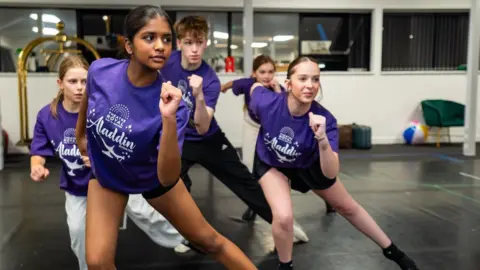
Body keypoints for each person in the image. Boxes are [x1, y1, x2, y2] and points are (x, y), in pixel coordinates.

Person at [75, 6, 257, 269]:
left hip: (152, 178)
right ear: (129, 44)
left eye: (166, 39)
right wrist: (81, 137)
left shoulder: (175, 104)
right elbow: (87, 102)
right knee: (96, 261)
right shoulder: (100, 71)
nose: (160, 46)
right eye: (149, 37)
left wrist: (169, 117)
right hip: (108, 176)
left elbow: (168, 177)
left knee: (209, 241)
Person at [248, 56, 419, 270]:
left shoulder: (324, 120)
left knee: (347, 207)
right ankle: (285, 266)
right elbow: (253, 88)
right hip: (272, 162)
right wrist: (257, 82)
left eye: (315, 79)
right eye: (302, 78)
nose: (310, 85)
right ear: (288, 83)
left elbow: (330, 173)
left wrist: (322, 139)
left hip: (308, 164)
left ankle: (394, 252)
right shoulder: (266, 102)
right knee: (283, 217)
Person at [29, 55, 194, 270]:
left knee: (147, 214)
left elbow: (125, 135)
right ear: (60, 83)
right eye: (72, 82)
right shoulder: (47, 116)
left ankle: (184, 237)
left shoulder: (101, 105)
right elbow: (39, 149)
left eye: (84, 82)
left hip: (115, 177)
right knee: (78, 231)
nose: (80, 88)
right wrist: (36, 166)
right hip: (77, 187)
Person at [160, 15, 309, 244]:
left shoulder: (209, 79)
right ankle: (187, 235)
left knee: (243, 180)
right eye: (189, 43)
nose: (194, 49)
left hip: (208, 138)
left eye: (199, 43)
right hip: (179, 138)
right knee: (170, 182)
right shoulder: (166, 64)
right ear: (179, 43)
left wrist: (198, 95)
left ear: (206, 43)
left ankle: (284, 224)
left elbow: (202, 126)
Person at [221, 55, 336, 222]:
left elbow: (287, 106)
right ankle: (255, 205)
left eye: (270, 72)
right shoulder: (249, 84)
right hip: (254, 128)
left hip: (275, 132)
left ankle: (327, 199)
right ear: (254, 73)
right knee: (251, 167)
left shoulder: (279, 89)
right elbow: (234, 83)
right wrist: (222, 87)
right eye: (262, 72)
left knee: (303, 173)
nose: (267, 76)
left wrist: (276, 90)